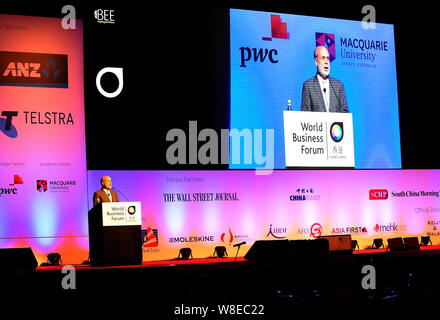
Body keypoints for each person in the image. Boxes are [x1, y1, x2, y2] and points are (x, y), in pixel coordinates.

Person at [301, 46, 349, 113]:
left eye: (328, 58)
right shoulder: (308, 86)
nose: (326, 62)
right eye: (323, 58)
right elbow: (305, 114)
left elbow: (345, 113)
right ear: (316, 61)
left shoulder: (338, 86)